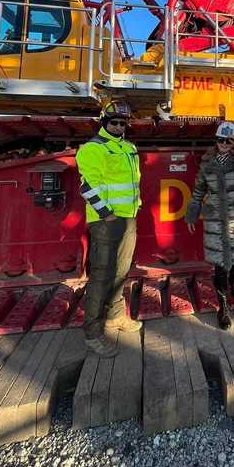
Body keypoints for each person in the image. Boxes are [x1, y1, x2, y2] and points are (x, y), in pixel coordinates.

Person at [75, 100, 142, 356]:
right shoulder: (94, 148)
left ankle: (115, 316)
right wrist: (106, 213)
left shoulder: (128, 147)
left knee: (122, 270)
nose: (118, 126)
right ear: (105, 123)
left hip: (128, 218)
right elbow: (87, 186)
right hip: (106, 221)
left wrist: (134, 209)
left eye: (122, 123)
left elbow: (132, 182)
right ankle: (92, 332)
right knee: (101, 275)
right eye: (114, 122)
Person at [185, 122, 234, 330]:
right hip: (215, 216)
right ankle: (223, 307)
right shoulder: (206, 163)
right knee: (219, 264)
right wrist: (192, 214)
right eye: (220, 140)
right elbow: (199, 191)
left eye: (229, 141)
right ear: (215, 141)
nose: (224, 144)